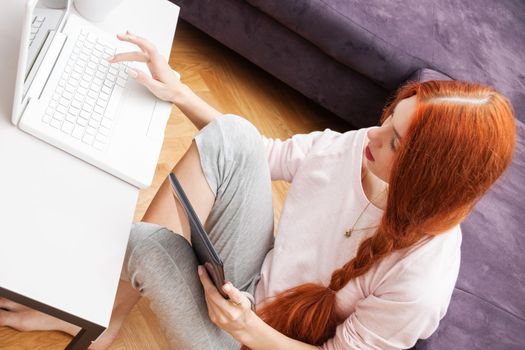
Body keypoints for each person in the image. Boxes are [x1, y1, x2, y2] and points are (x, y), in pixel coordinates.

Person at [0, 32, 516, 350]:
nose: (374, 135)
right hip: (250, 285)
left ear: (427, 176)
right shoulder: (365, 147)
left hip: (258, 342)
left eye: (395, 143)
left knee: (144, 243)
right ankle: (105, 313)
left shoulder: (419, 282)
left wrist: (248, 331)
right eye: (388, 121)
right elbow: (259, 151)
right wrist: (178, 90)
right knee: (232, 135)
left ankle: (98, 316)